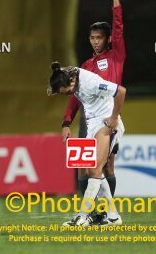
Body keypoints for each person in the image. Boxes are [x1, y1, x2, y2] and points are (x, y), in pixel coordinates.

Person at [62, 0, 125, 200]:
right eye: (92, 38)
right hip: (88, 118)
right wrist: (66, 121)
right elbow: (74, 96)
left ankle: (107, 211)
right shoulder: (85, 66)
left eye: (99, 37)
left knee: (107, 163)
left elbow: (118, 24)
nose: (95, 41)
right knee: (82, 164)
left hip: (108, 115)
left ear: (107, 39)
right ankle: (89, 210)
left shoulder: (116, 55)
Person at [48, 62, 126, 226]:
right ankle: (112, 216)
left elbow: (121, 91)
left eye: (67, 92)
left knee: (95, 168)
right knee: (89, 169)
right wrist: (66, 123)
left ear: (71, 81)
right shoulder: (71, 78)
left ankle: (82, 215)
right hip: (93, 125)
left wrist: (113, 118)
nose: (68, 94)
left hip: (106, 122)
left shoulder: (90, 82)